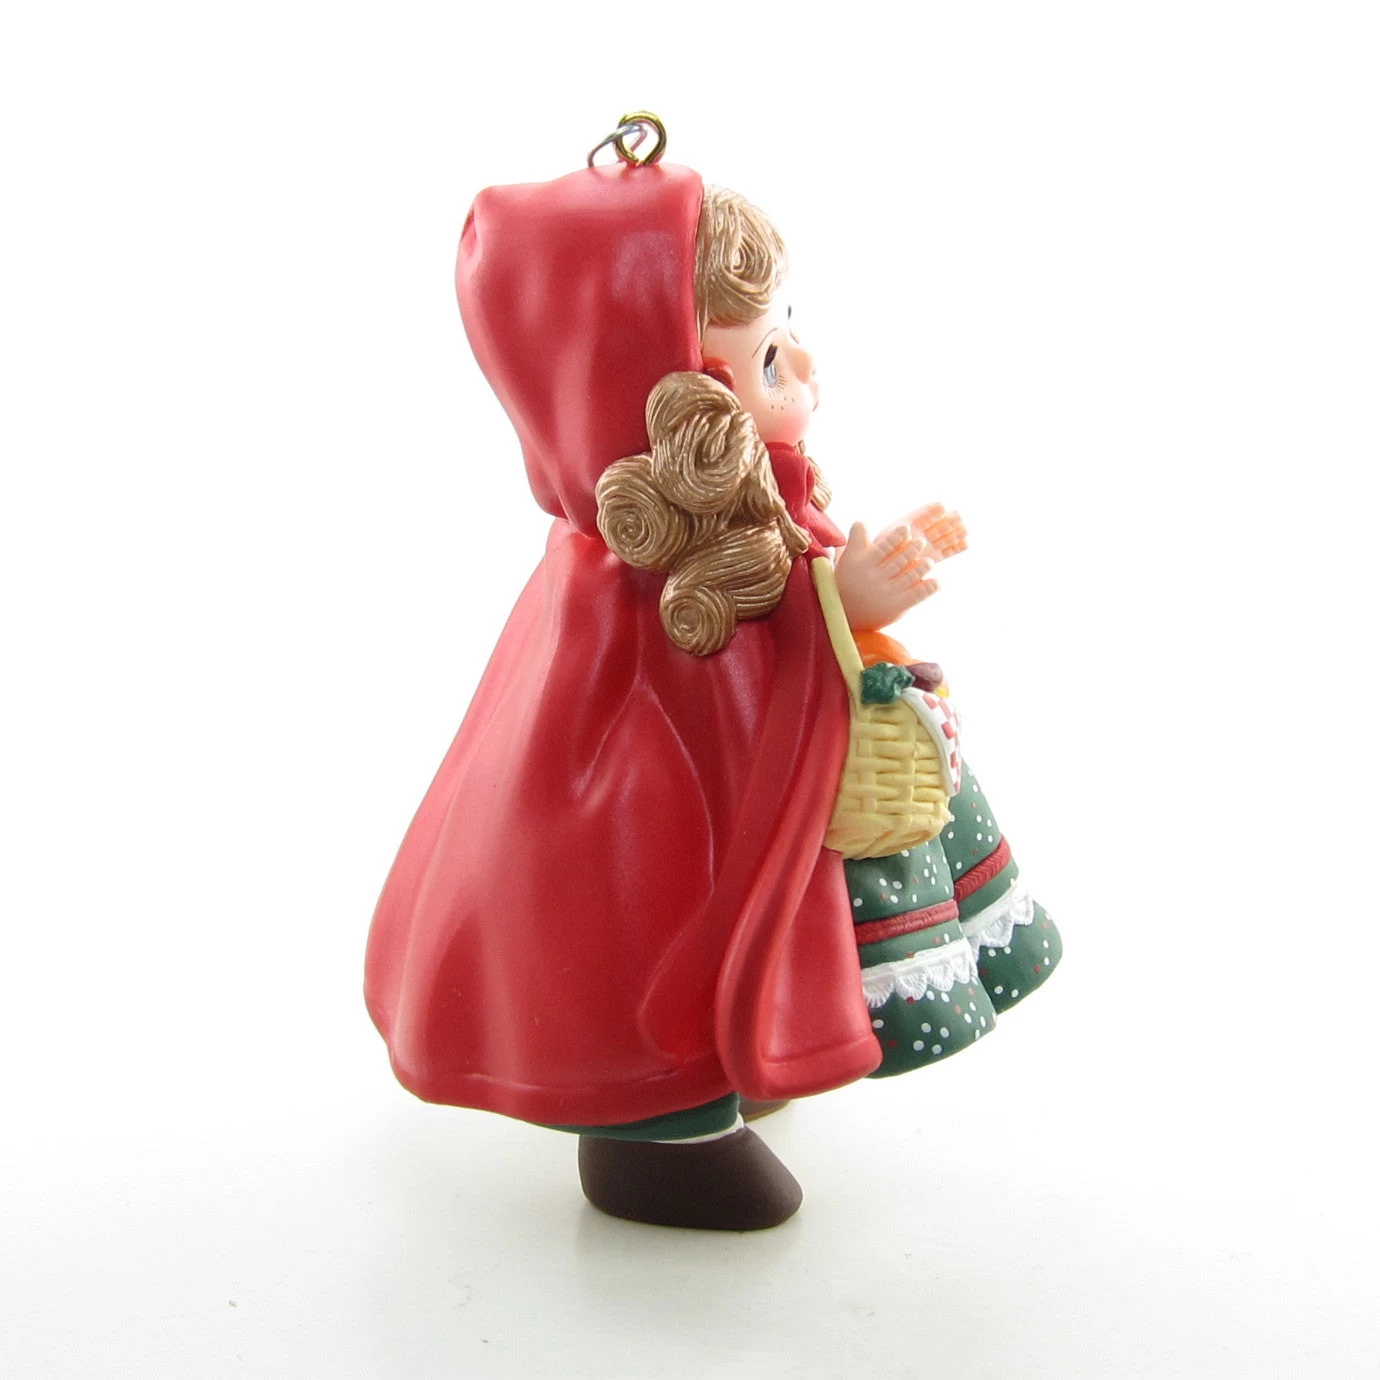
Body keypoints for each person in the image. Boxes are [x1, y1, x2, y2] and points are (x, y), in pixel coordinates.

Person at [365, 152, 1060, 1231]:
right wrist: (839, 598)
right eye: (770, 356)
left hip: (746, 785)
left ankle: (749, 1042)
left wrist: (842, 590)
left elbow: (775, 615)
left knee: (759, 915)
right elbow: (726, 649)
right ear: (680, 405)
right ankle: (661, 1124)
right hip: (664, 812)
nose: (807, 365)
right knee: (656, 923)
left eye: (789, 333)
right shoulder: (625, 587)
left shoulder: (747, 499)